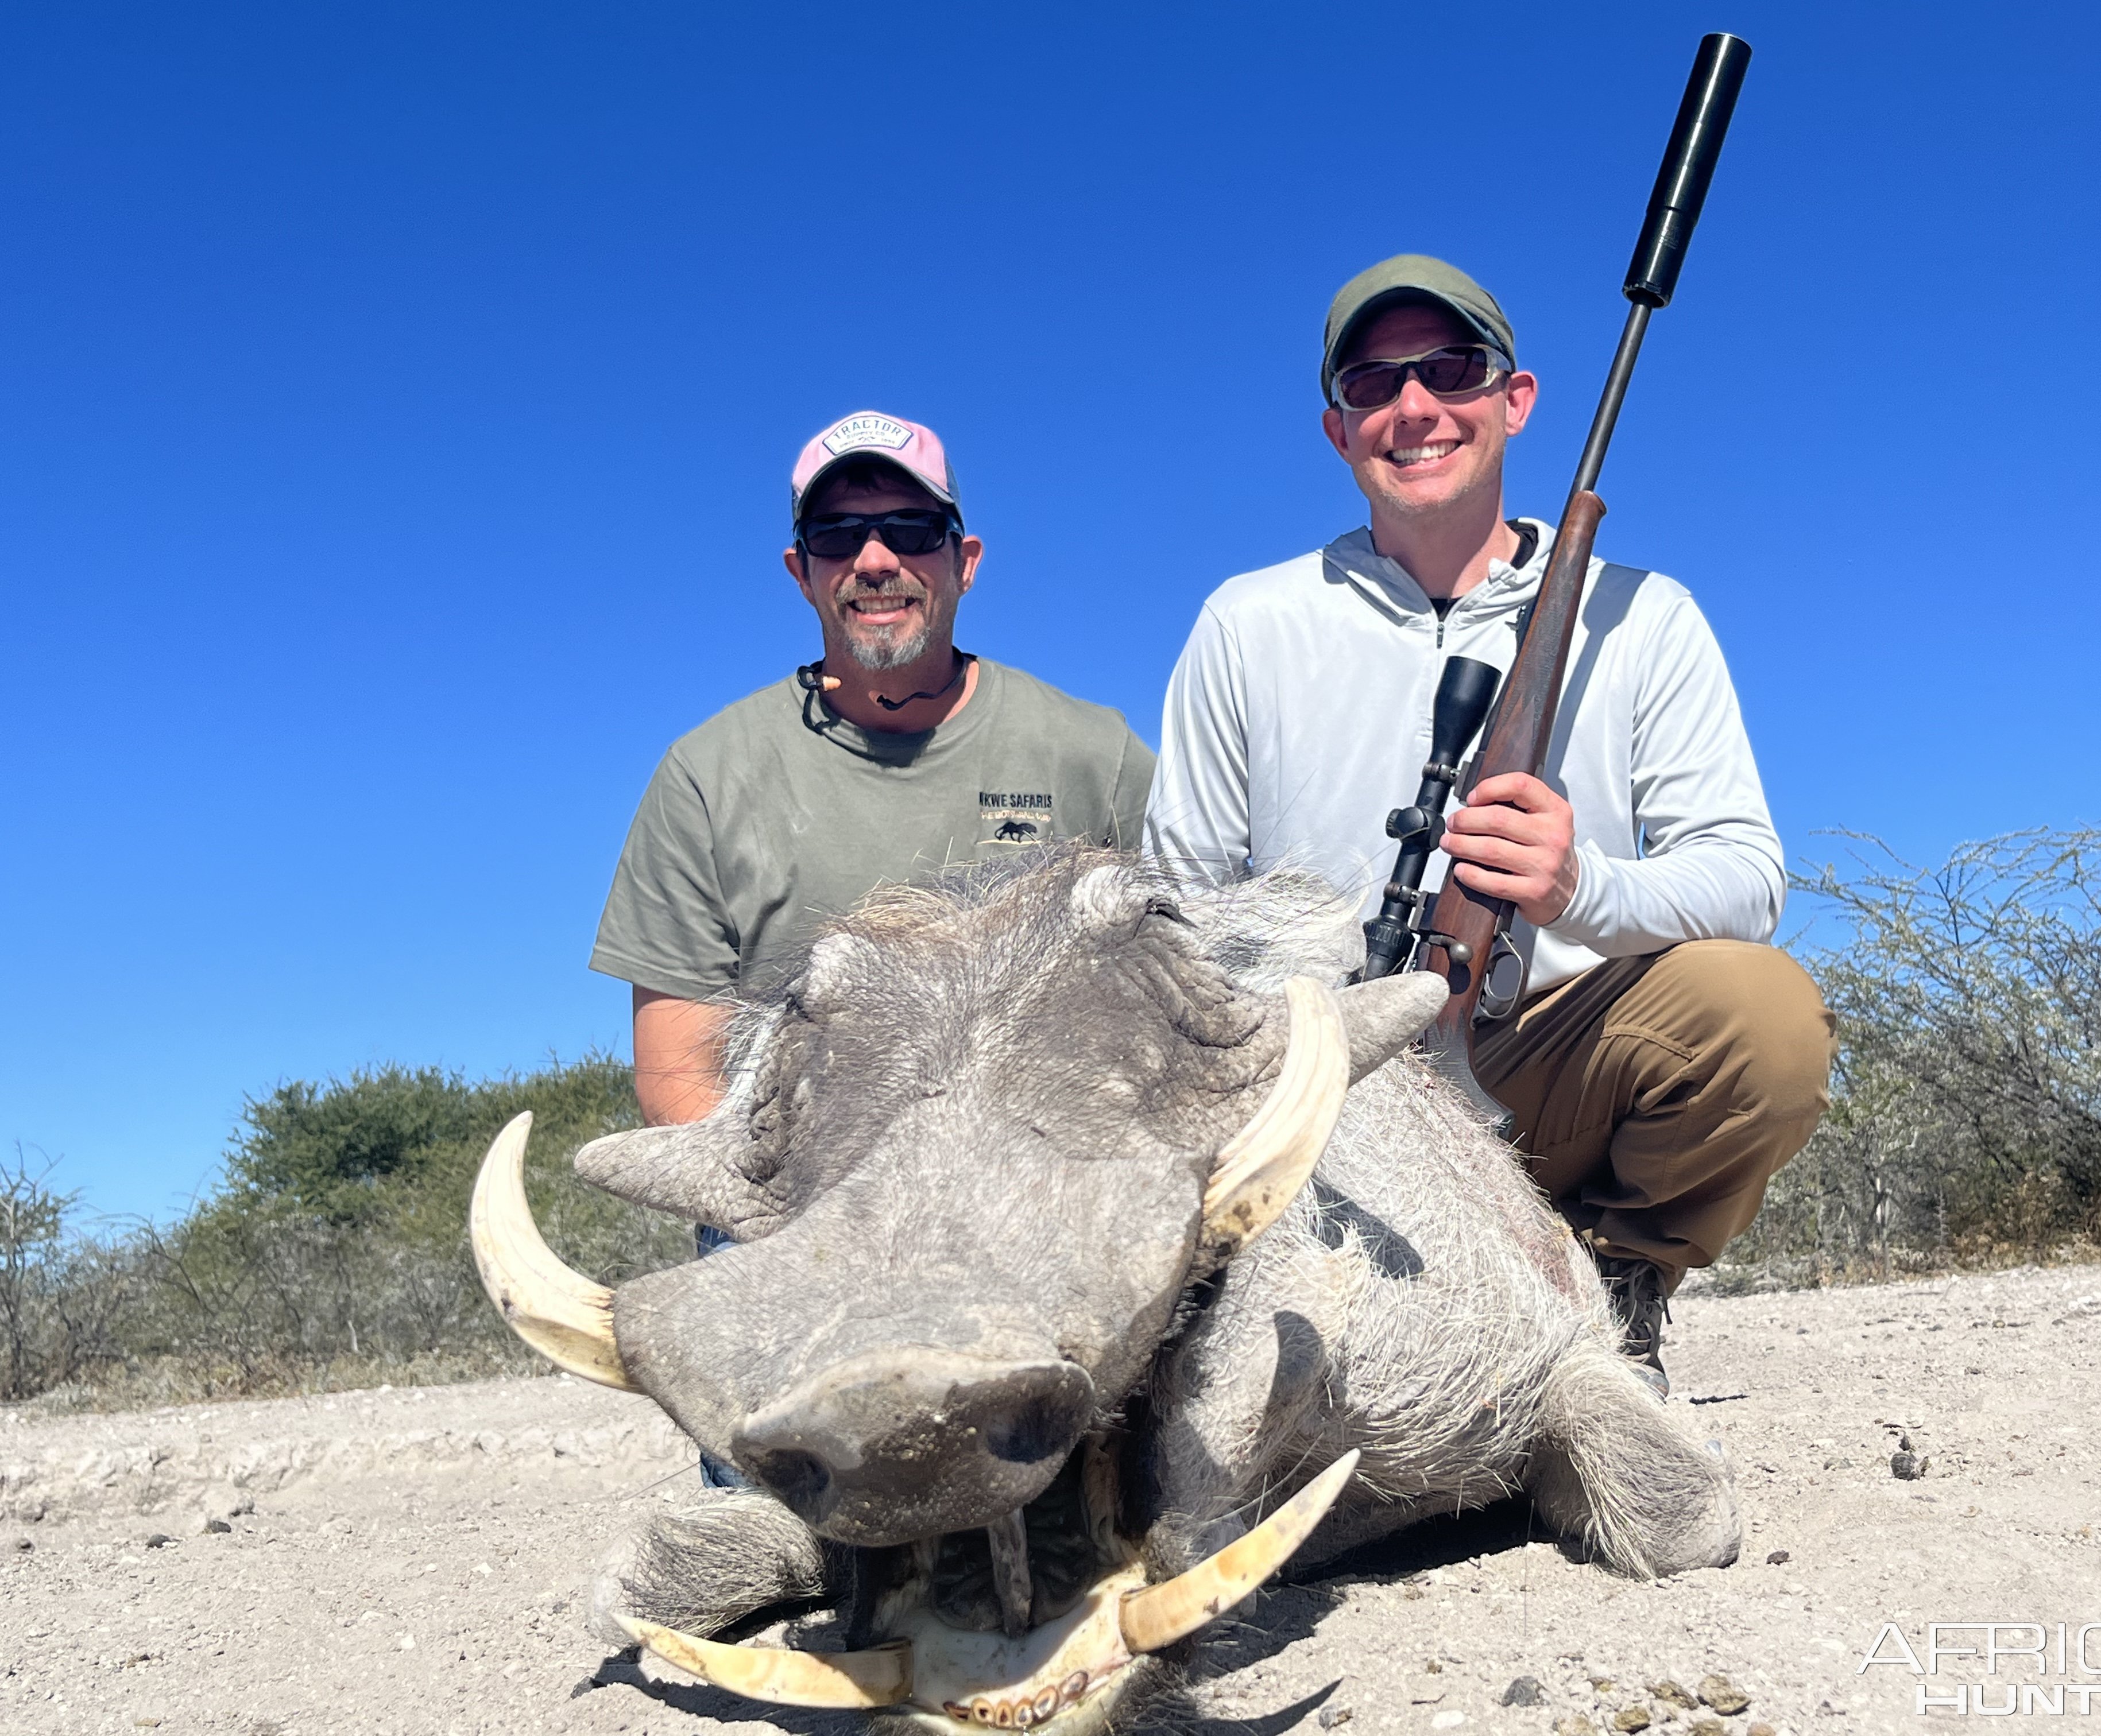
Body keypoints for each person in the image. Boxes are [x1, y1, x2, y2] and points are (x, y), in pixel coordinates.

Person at [1146, 256, 1833, 1392]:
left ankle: (1612, 1296)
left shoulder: (1643, 617)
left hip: (1539, 1069)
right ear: (1338, 429)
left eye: (1451, 370)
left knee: (1764, 1020)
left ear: (1514, 401)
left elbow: (1747, 877)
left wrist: (1582, 889)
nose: (1415, 407)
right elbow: (1179, 904)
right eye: (1375, 384)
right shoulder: (1247, 624)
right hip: (1316, 1085)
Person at [593, 410, 1154, 1471]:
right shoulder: (706, 777)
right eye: (841, 539)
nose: (877, 560)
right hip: (808, 1218)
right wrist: (832, 1227)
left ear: (965, 561)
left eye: (910, 529)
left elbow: (1181, 987)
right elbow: (677, 1075)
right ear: (802, 573)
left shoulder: (1096, 754)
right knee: (775, 1535)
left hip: (1045, 1204)